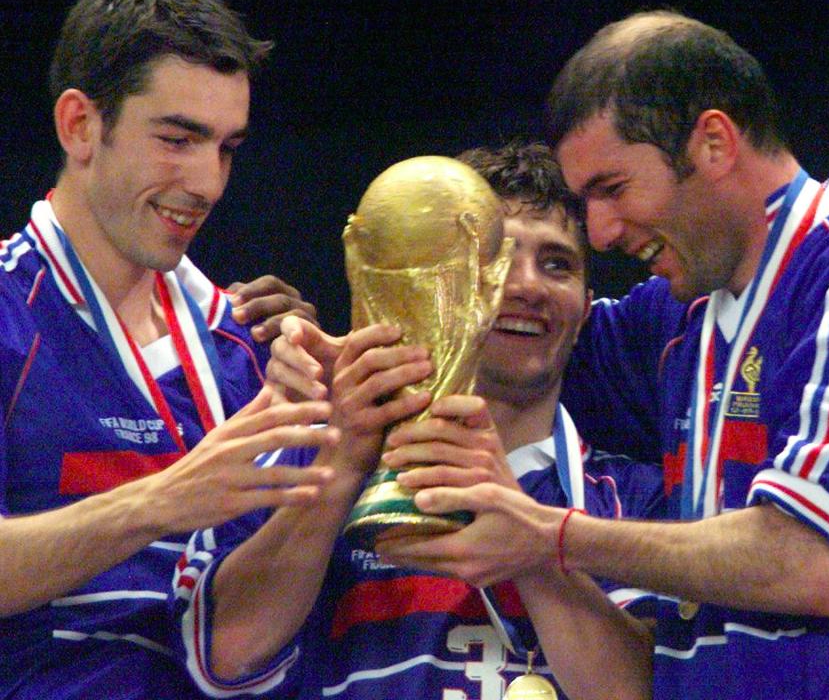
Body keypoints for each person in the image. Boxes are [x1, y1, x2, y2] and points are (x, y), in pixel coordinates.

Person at [373, 12, 829, 699]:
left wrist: (547, 535)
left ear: (713, 142)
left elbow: (812, 561)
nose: (602, 231)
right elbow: (500, 340)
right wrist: (302, 342)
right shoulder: (678, 315)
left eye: (612, 190)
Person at [173, 141, 663, 699]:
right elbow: (220, 656)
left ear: (584, 310)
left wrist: (533, 546)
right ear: (432, 282)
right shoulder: (303, 462)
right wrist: (342, 466)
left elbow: (646, 692)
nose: (526, 286)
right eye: (494, 256)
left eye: (557, 265)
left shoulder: (630, 498)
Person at [0, 0, 337, 697]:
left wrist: (351, 431)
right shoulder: (7, 312)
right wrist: (164, 499)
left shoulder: (249, 347)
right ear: (80, 126)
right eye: (177, 140)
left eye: (226, 148)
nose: (208, 183)